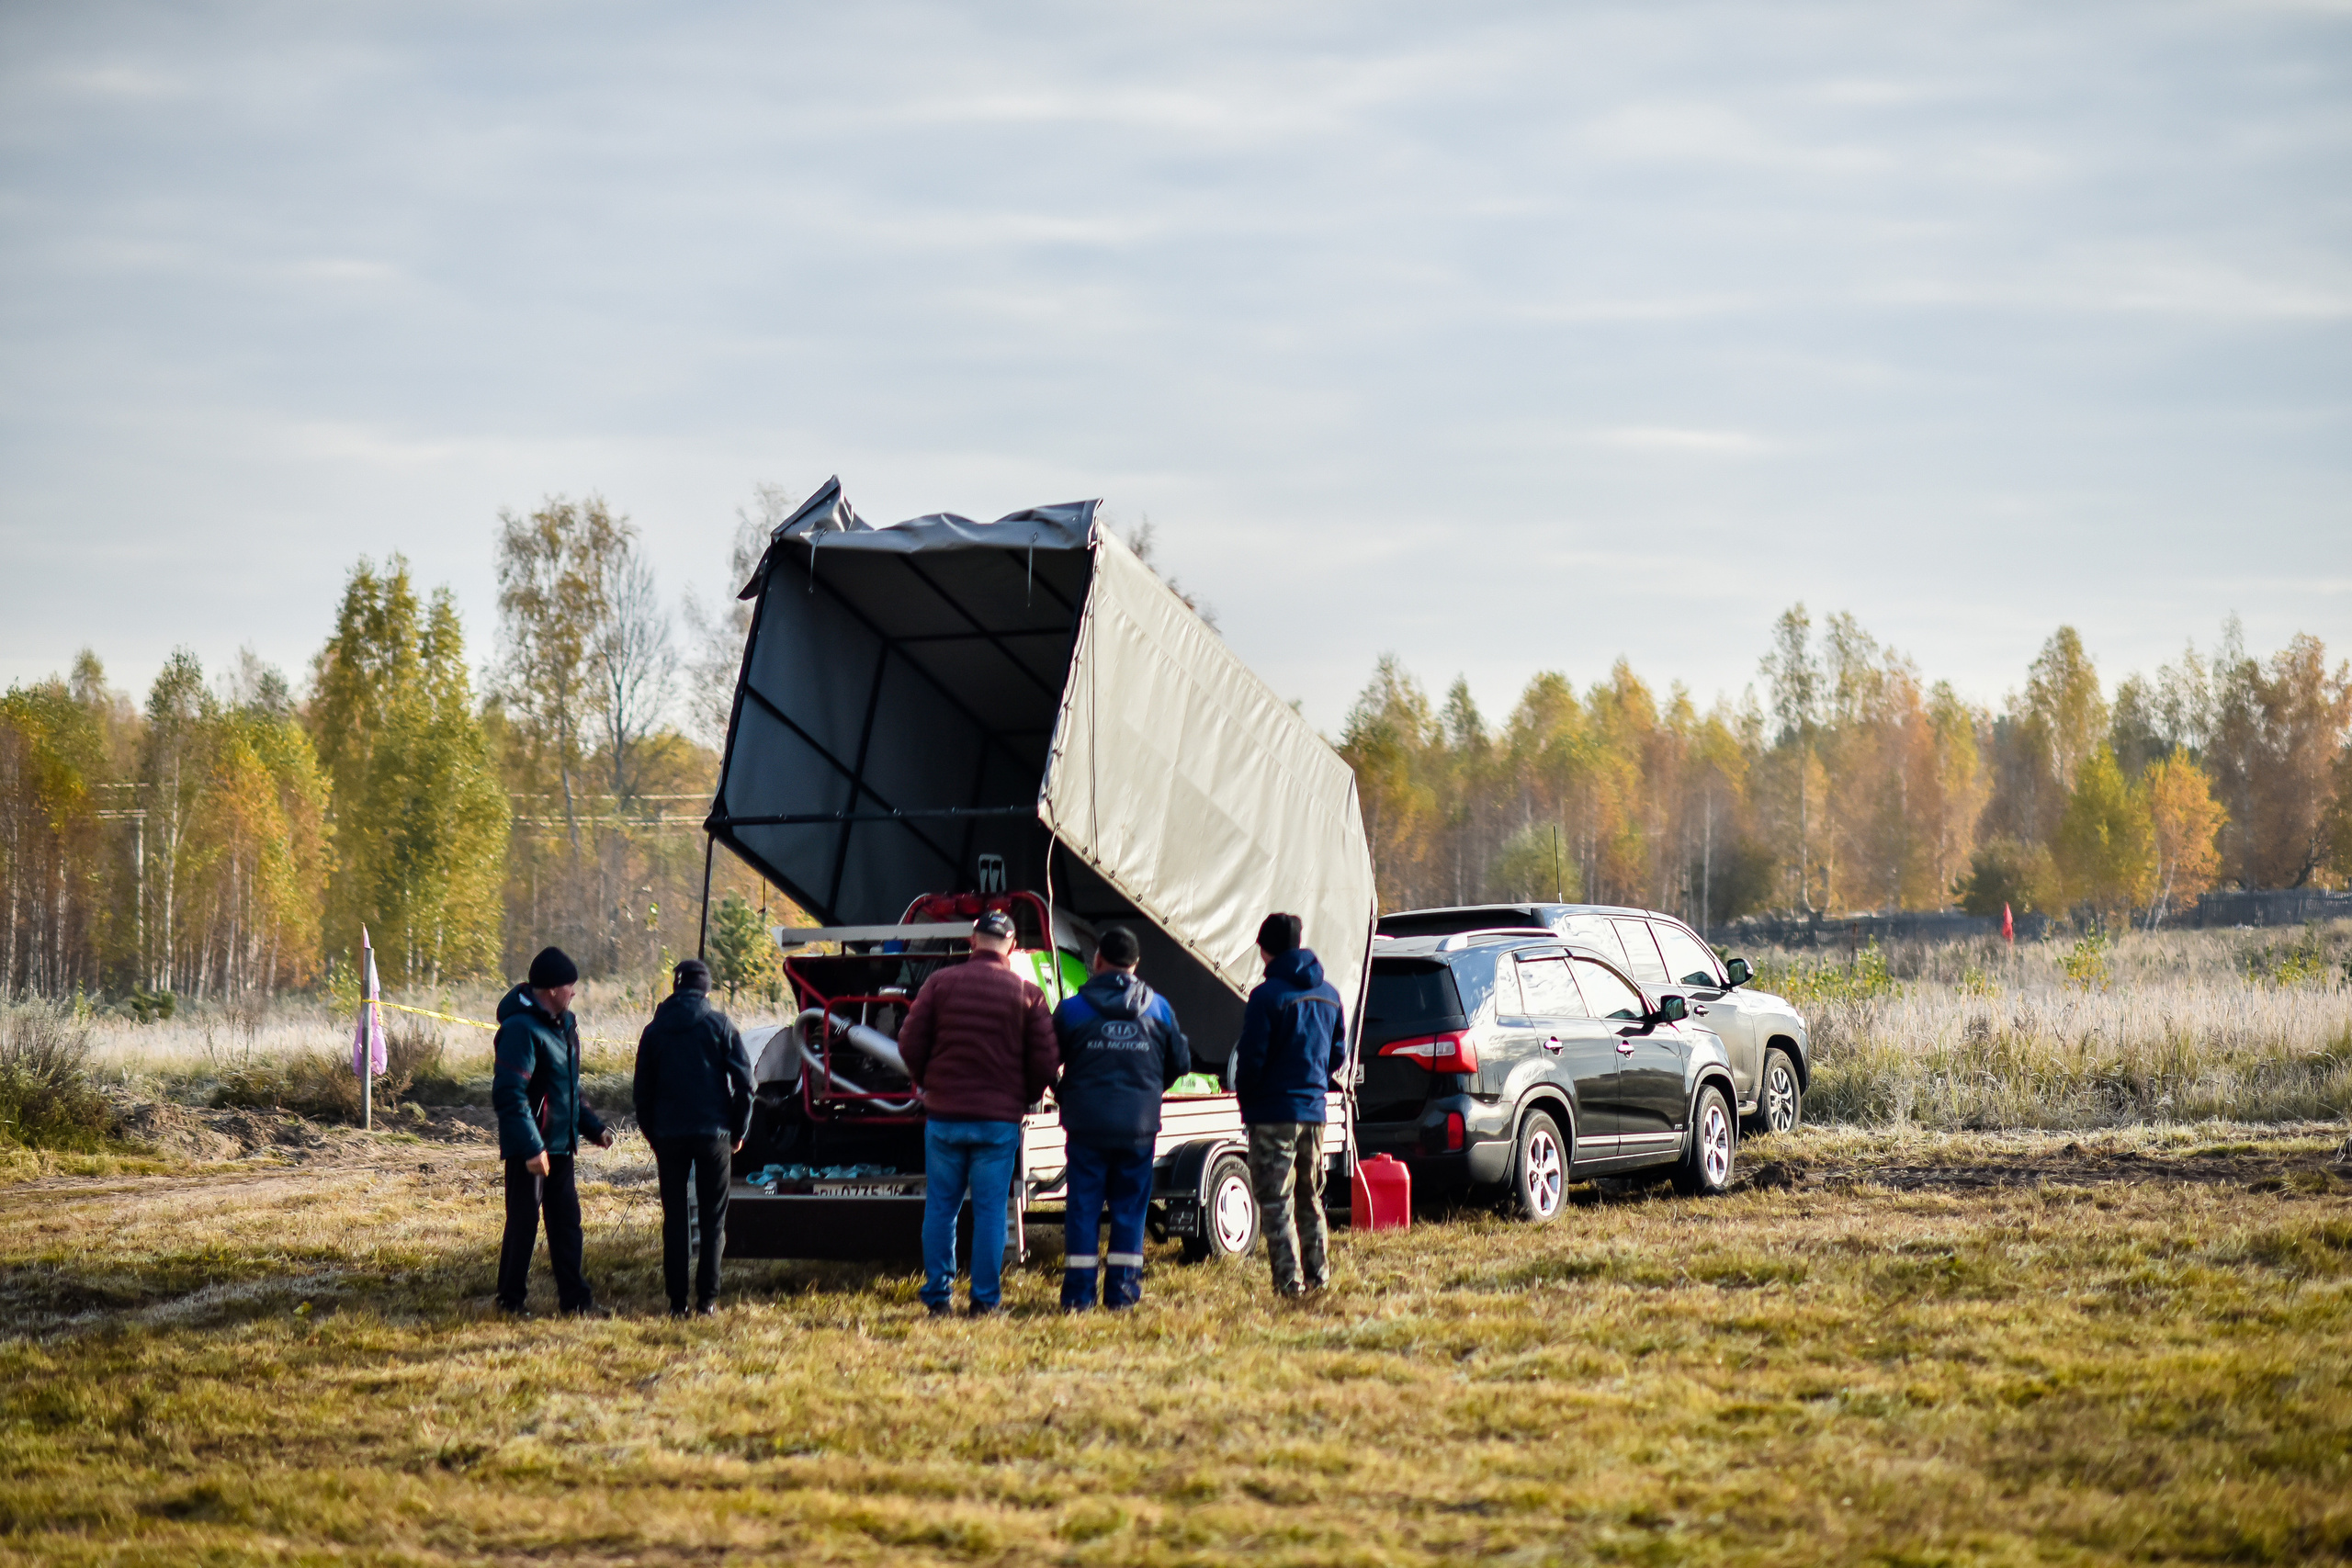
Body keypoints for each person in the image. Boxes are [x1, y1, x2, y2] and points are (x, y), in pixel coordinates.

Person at [896, 908, 1058, 1317]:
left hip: (944, 1117)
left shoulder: (939, 984)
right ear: (1013, 947)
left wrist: (926, 1083)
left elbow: (909, 1043)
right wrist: (1025, 1095)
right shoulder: (1028, 994)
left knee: (941, 1209)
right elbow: (1045, 1061)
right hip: (997, 1121)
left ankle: (937, 1299)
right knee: (989, 1212)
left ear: (972, 941)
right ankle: (984, 1302)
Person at [1051, 925, 1190, 1310]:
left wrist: (1063, 1092)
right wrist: (1149, 1089)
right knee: (1130, 1210)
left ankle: (1078, 1300)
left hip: (1086, 1127)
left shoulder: (1072, 1010)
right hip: (1138, 1128)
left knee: (1083, 1209)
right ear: (1136, 965)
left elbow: (1045, 1058)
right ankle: (1123, 1297)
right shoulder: (1159, 1008)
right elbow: (1181, 1062)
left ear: (1097, 960)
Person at [492, 945, 615, 1317]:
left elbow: (566, 1087)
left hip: (561, 1146)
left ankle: (576, 1301)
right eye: (569, 986)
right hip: (530, 1151)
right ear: (549, 990)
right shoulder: (519, 1029)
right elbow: (509, 1093)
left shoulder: (565, 1024)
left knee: (566, 1226)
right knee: (523, 1226)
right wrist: (531, 1148)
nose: (574, 992)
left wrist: (594, 1128)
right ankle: (510, 1302)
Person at [1230, 912, 1348, 1299]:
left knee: (1276, 1200)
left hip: (1273, 1115)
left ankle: (1290, 1285)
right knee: (1310, 1197)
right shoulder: (1329, 994)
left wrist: (1248, 1102)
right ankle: (1319, 1276)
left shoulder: (1266, 998)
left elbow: (1251, 1062)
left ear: (1265, 949)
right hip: (1314, 1112)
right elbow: (1336, 1056)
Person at [632, 957, 754, 1318]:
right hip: (714, 1134)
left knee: (675, 1219)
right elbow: (746, 1084)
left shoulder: (653, 1031)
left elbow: (641, 1093)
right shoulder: (720, 1025)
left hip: (669, 1135)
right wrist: (738, 1129)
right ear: (707, 989)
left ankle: (676, 1303)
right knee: (714, 1219)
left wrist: (655, 1136)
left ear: (675, 987)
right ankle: (708, 1302)